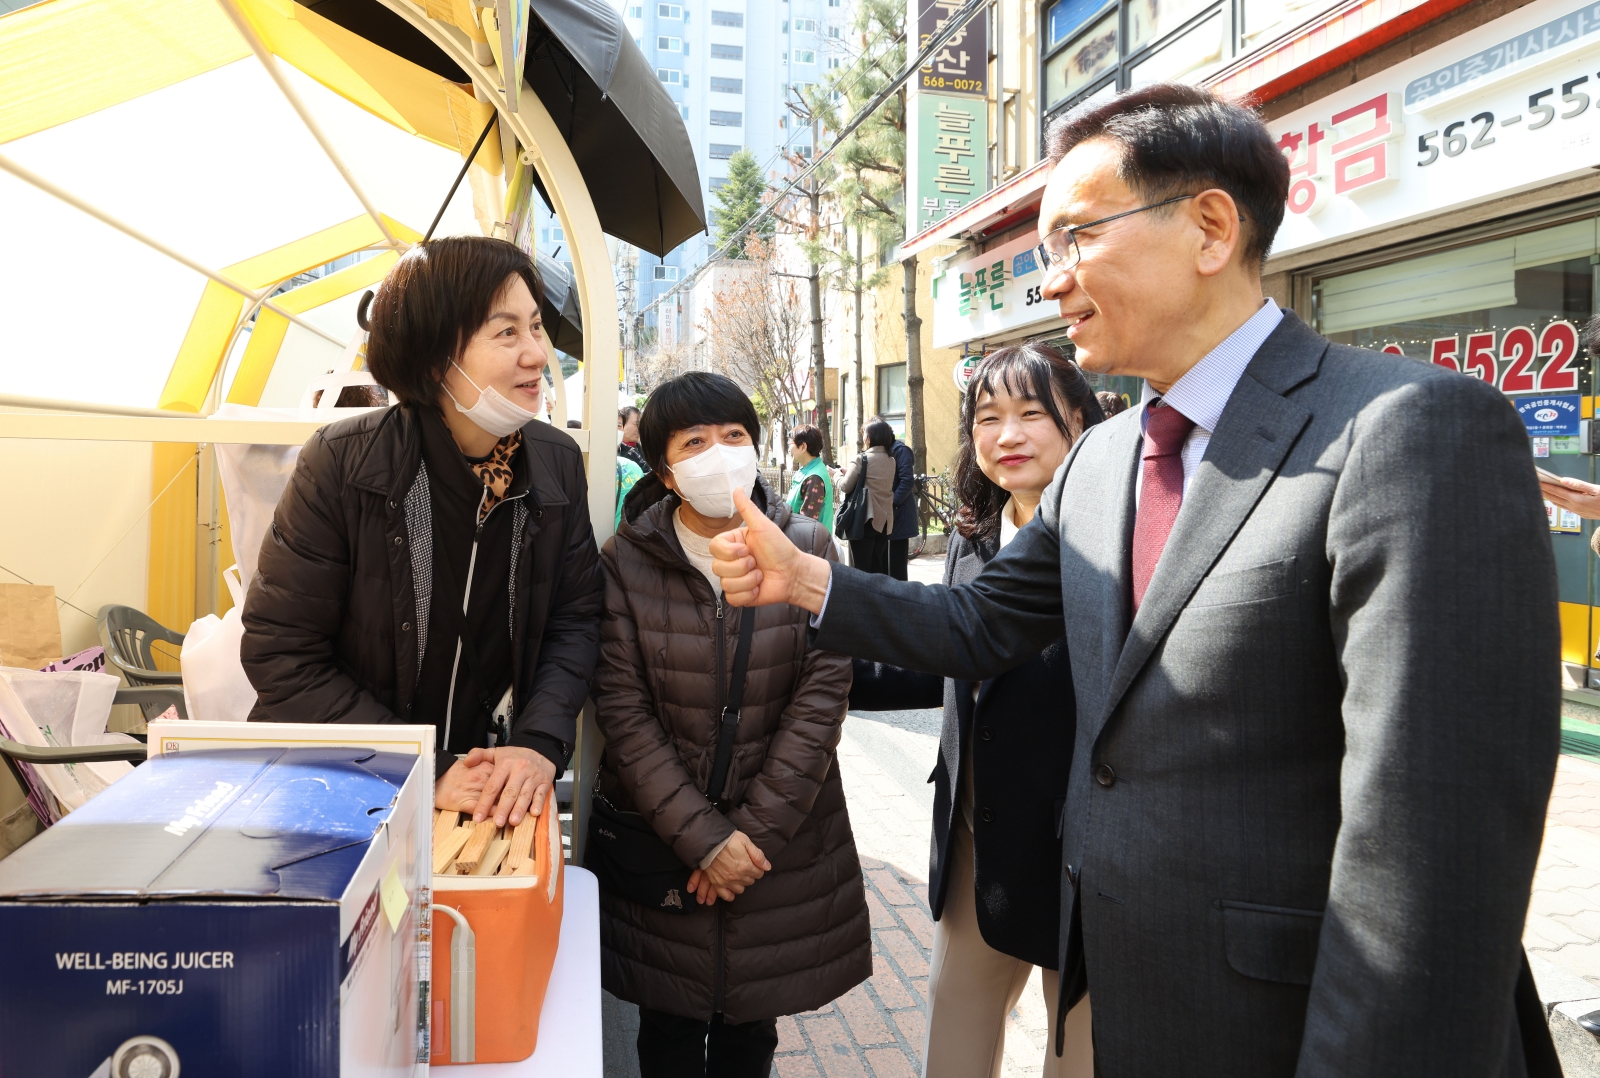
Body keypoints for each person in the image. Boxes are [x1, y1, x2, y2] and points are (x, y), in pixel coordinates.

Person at [710, 84, 1560, 1077]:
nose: (1051, 282)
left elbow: (1431, 862)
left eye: (1075, 238)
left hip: (1292, 1033)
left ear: (1208, 228)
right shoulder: (1104, 458)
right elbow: (981, 624)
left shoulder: (1407, 428)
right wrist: (811, 582)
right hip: (1123, 997)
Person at [242, 235, 603, 831]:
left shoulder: (556, 462)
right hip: (346, 785)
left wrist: (538, 743)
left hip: (480, 792)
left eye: (536, 327)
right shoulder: (344, 463)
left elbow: (576, 618)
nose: (537, 353)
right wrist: (421, 767)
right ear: (437, 358)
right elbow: (281, 654)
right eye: (506, 332)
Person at [591, 371, 870, 1077]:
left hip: (774, 850)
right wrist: (704, 840)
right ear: (664, 469)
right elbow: (623, 712)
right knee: (670, 1033)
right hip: (665, 849)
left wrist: (748, 842)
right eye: (696, 441)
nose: (720, 454)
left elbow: (822, 693)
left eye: (735, 436)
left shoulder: (806, 544)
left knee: (752, 1032)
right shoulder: (627, 562)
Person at [851, 343, 1104, 1078]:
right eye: (988, 417)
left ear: (1079, 421)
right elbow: (956, 654)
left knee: (1078, 1048)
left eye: (1033, 413)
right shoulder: (975, 531)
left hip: (1078, 853)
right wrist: (825, 676)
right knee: (954, 1025)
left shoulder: (1117, 542)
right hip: (977, 833)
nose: (1007, 435)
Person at [837, 420, 896, 574]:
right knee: (877, 566)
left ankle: (861, 598)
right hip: (884, 521)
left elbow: (845, 486)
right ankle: (877, 597)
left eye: (865, 434)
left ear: (869, 438)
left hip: (864, 520)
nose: (863, 438)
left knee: (860, 569)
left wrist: (836, 475)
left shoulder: (861, 459)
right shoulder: (891, 460)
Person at [786, 423, 835, 530]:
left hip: (810, 544)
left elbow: (806, 524)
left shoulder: (814, 477)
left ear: (803, 447)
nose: (789, 448)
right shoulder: (809, 469)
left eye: (790, 443)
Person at [885, 426, 917, 580]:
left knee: (897, 567)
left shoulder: (900, 450)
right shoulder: (885, 451)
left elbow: (907, 480)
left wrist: (893, 503)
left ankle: (900, 601)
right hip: (890, 513)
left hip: (899, 513)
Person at [619, 405, 650, 472]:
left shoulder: (646, 450)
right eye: (636, 424)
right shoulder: (617, 452)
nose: (639, 428)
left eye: (640, 425)